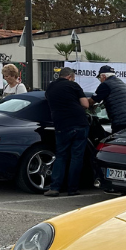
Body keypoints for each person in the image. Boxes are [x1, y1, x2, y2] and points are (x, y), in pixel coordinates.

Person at [90, 65, 126, 192]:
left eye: (99, 78)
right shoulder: (120, 83)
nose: (100, 81)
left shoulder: (106, 85)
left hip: (121, 122)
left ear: (103, 76)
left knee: (117, 153)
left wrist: (82, 103)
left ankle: (117, 183)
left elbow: (92, 101)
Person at [44, 67, 91, 197]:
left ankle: (55, 187)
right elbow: (85, 104)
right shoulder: (73, 85)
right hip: (79, 123)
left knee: (61, 155)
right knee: (76, 157)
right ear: (70, 77)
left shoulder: (50, 87)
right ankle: (73, 188)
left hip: (61, 124)